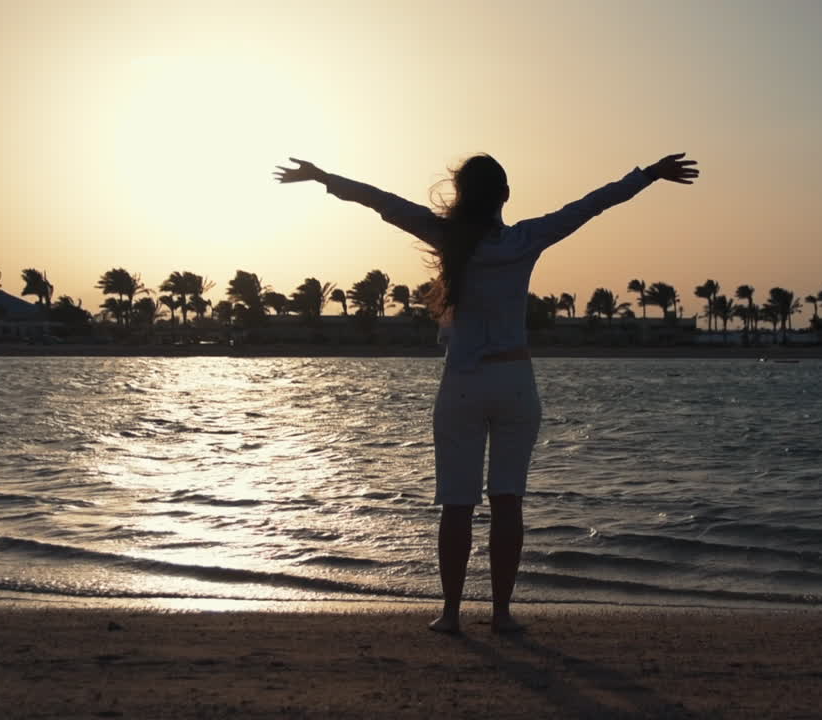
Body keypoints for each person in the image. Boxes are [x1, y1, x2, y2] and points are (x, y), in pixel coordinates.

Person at [274, 152, 698, 633]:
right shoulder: (525, 238)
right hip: (515, 381)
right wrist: (648, 175)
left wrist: (324, 178)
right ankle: (500, 614)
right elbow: (590, 205)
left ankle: (451, 615)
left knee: (457, 504)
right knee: (507, 501)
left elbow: (382, 203)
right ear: (505, 196)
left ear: (460, 196)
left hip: (462, 385)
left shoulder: (447, 237)